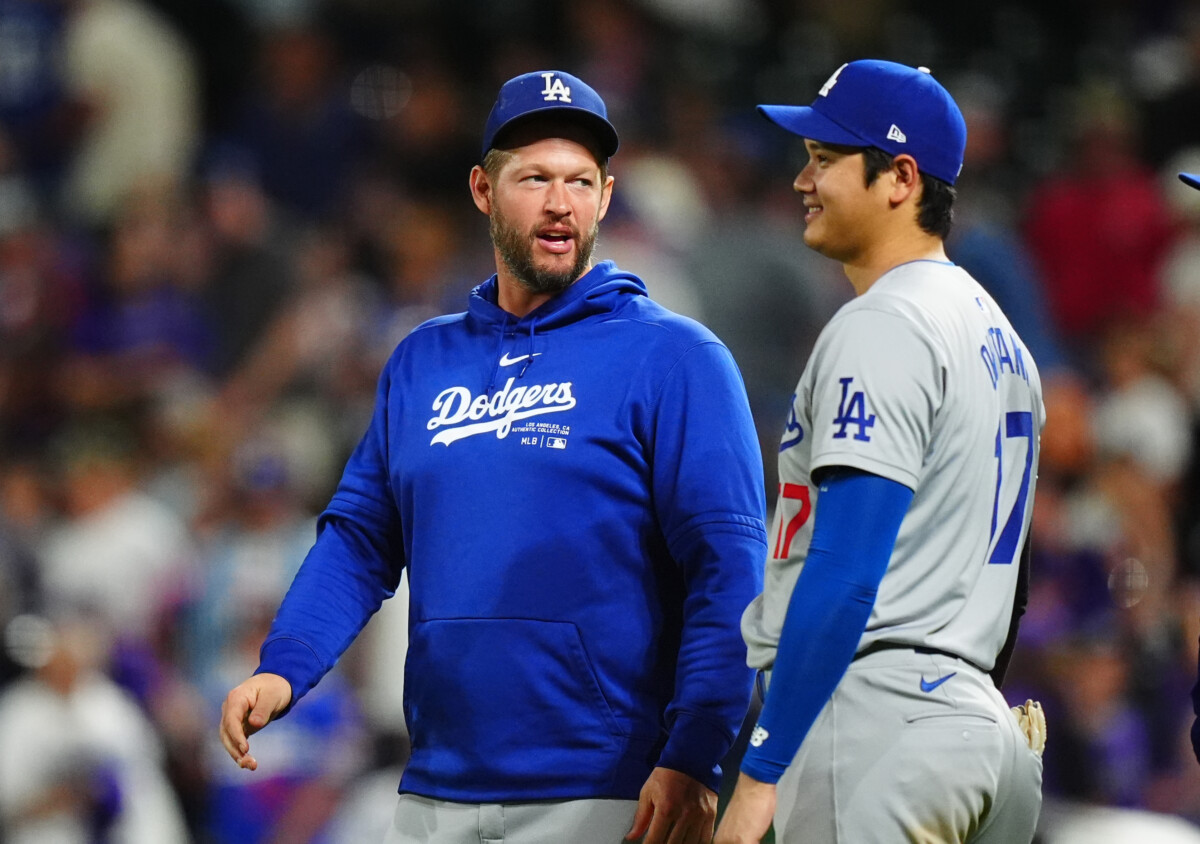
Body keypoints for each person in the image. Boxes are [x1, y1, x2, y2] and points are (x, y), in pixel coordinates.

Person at [218, 69, 768, 844]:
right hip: (435, 790)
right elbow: (360, 541)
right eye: (534, 177)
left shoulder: (675, 358)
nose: (559, 202)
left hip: (608, 793)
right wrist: (285, 665)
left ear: (607, 198)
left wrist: (697, 754)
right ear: (483, 190)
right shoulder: (422, 359)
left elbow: (729, 570)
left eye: (581, 181)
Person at [714, 60, 1047, 843]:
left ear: (899, 177)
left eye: (826, 159)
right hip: (980, 729)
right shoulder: (1003, 338)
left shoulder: (887, 323)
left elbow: (847, 567)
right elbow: (1014, 585)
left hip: (881, 718)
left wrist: (761, 771)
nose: (802, 179)